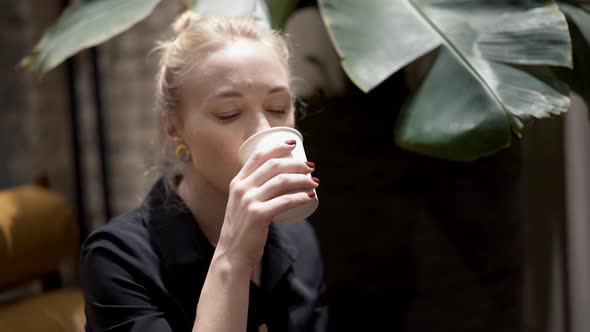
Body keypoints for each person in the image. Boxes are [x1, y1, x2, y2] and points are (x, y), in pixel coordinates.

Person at [79, 11, 328, 332]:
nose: (263, 129)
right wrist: (233, 258)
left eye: (278, 108)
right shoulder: (118, 260)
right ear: (175, 128)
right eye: (229, 113)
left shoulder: (298, 237)